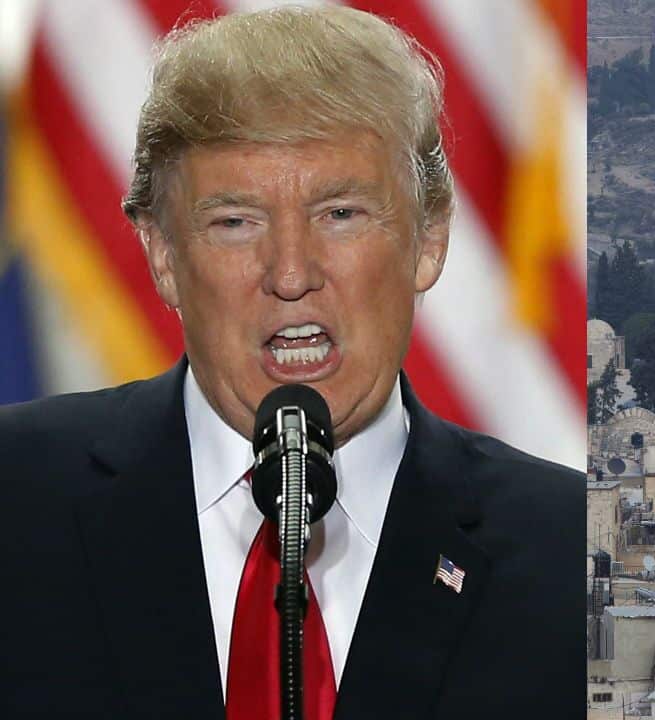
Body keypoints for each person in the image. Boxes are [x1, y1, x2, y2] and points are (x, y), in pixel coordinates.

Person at [0, 7, 583, 719]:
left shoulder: (572, 556)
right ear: (162, 255)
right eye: (235, 222)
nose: (290, 272)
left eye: (340, 213)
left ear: (430, 237)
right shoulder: (15, 499)